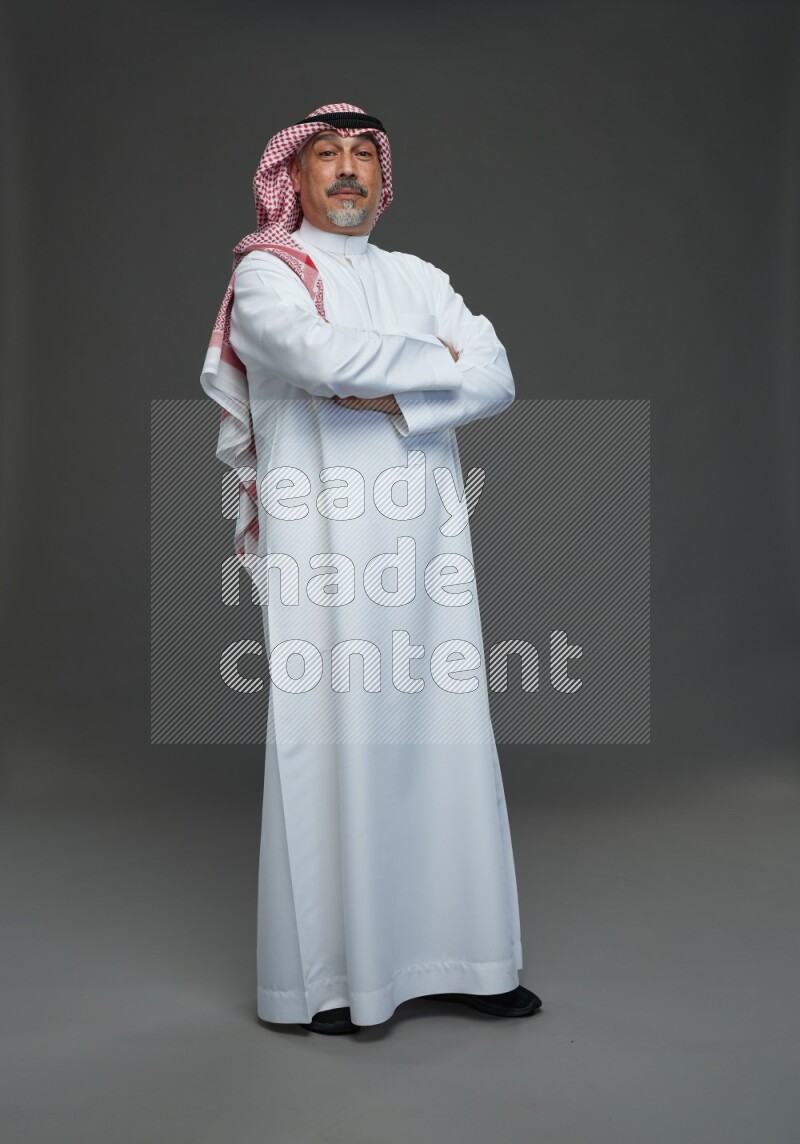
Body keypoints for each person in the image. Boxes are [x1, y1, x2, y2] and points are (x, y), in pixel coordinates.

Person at [200, 102, 542, 1034]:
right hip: (323, 557)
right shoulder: (270, 272)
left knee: (446, 735)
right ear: (295, 177)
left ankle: (471, 963)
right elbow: (312, 354)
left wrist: (382, 395)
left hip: (427, 553)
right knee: (337, 740)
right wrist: (433, 370)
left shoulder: (420, 276)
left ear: (382, 178)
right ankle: (340, 984)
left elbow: (499, 376)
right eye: (326, 155)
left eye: (362, 156)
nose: (347, 170)